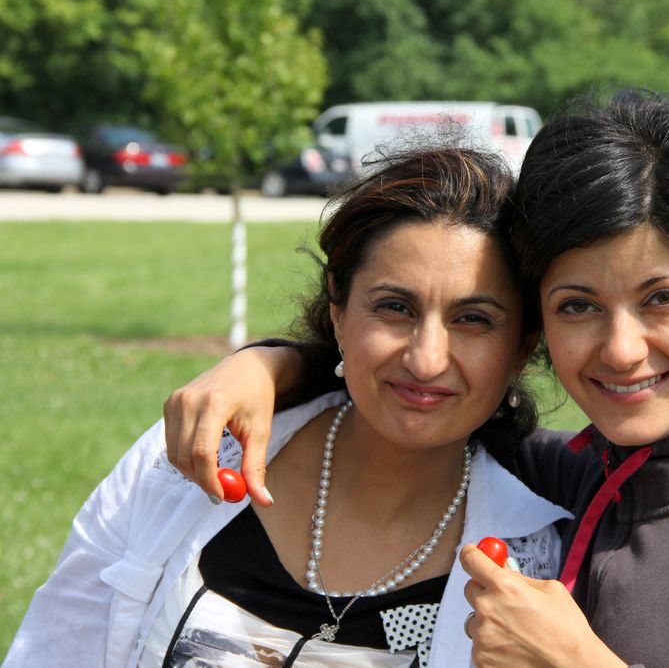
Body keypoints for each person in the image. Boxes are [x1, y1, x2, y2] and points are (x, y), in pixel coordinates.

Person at [148, 90, 669, 666]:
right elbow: (431, 389)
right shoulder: (574, 477)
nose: (621, 349)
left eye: (662, 298)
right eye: (578, 305)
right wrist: (272, 364)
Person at [4, 148, 570, 668]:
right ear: (339, 310)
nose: (425, 359)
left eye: (473, 319)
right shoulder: (193, 457)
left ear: (522, 347)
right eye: (395, 307)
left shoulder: (535, 564)